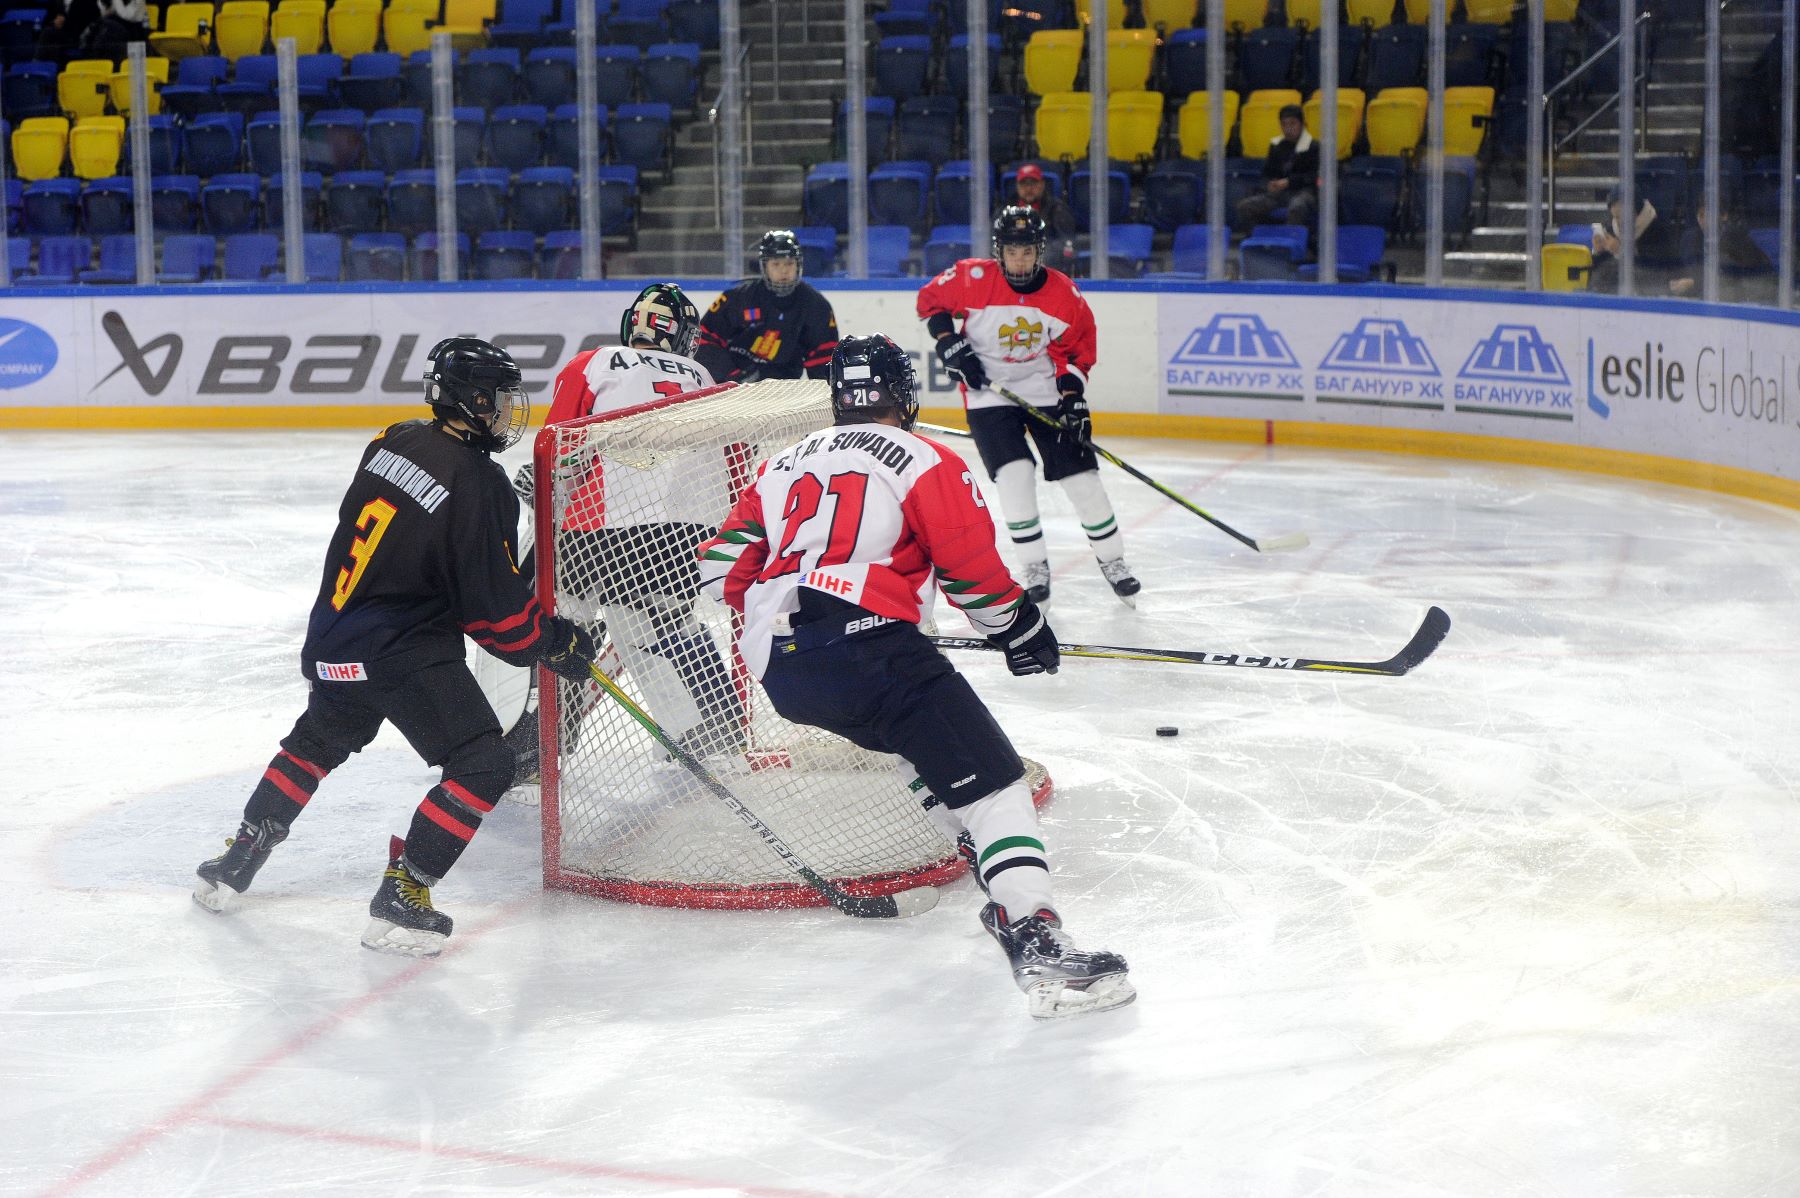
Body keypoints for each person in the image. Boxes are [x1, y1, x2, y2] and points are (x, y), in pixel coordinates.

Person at [695, 334, 1134, 1020]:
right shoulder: (922, 455)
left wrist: (799, 606)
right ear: (904, 393)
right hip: (870, 652)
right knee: (996, 786)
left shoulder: (780, 463)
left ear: (838, 397)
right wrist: (1021, 631)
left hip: (785, 675)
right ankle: (1034, 935)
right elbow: (974, 580)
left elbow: (720, 571)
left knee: (912, 738)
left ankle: (977, 848)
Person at [192, 338, 597, 957]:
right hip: (401, 647)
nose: (508, 414)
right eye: (500, 401)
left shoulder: (391, 439)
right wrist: (553, 641)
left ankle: (235, 859)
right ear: (473, 399)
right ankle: (404, 894)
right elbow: (497, 618)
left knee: (316, 742)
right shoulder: (478, 481)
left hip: (334, 635)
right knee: (482, 764)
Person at [519, 282, 745, 768]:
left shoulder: (594, 362)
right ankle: (714, 732)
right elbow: (732, 463)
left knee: (563, 628)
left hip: (595, 530)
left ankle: (542, 748)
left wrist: (538, 498)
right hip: (684, 534)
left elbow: (559, 449)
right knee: (667, 628)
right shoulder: (704, 374)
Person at [916, 204, 1139, 607]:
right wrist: (950, 343)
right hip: (987, 394)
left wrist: (1072, 399)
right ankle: (1034, 566)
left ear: (1040, 251)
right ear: (999, 251)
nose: (1020, 260)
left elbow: (1077, 349)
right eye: (1012, 251)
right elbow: (930, 301)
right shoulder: (971, 277)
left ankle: (1113, 560)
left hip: (1043, 390)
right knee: (1015, 475)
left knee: (1082, 479)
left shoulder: (1062, 293)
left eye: (1027, 251)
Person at [694, 229, 840, 385]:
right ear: (764, 266)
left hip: (784, 390)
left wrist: (821, 391)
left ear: (799, 265)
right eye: (776, 264)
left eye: (790, 263)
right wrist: (732, 375)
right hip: (732, 386)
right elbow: (704, 340)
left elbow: (823, 358)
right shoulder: (737, 298)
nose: (784, 270)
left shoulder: (815, 305)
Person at [1232, 104, 1319, 237]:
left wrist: (1289, 182)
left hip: (1305, 192)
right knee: (1245, 207)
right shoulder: (1276, 146)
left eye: (1293, 123)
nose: (1288, 128)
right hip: (1280, 193)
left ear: (1302, 124)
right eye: (1284, 124)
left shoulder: (1314, 147)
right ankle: (1260, 240)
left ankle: (1291, 244)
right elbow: (1267, 173)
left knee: (1297, 207)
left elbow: (1314, 177)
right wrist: (1269, 184)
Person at [1589, 186, 1683, 295]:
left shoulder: (1657, 231)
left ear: (1637, 211)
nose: (1619, 222)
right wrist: (1597, 253)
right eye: (1616, 216)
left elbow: (1655, 276)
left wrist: (1621, 252)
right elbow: (1599, 276)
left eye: (1622, 216)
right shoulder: (1611, 229)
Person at [998, 163, 1078, 272]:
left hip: (1047, 266)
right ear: (1017, 186)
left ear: (1042, 184)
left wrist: (1037, 256)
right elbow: (994, 240)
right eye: (1024, 184)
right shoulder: (1005, 209)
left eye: (1033, 183)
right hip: (1012, 265)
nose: (1029, 188)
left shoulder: (1057, 209)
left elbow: (1066, 241)